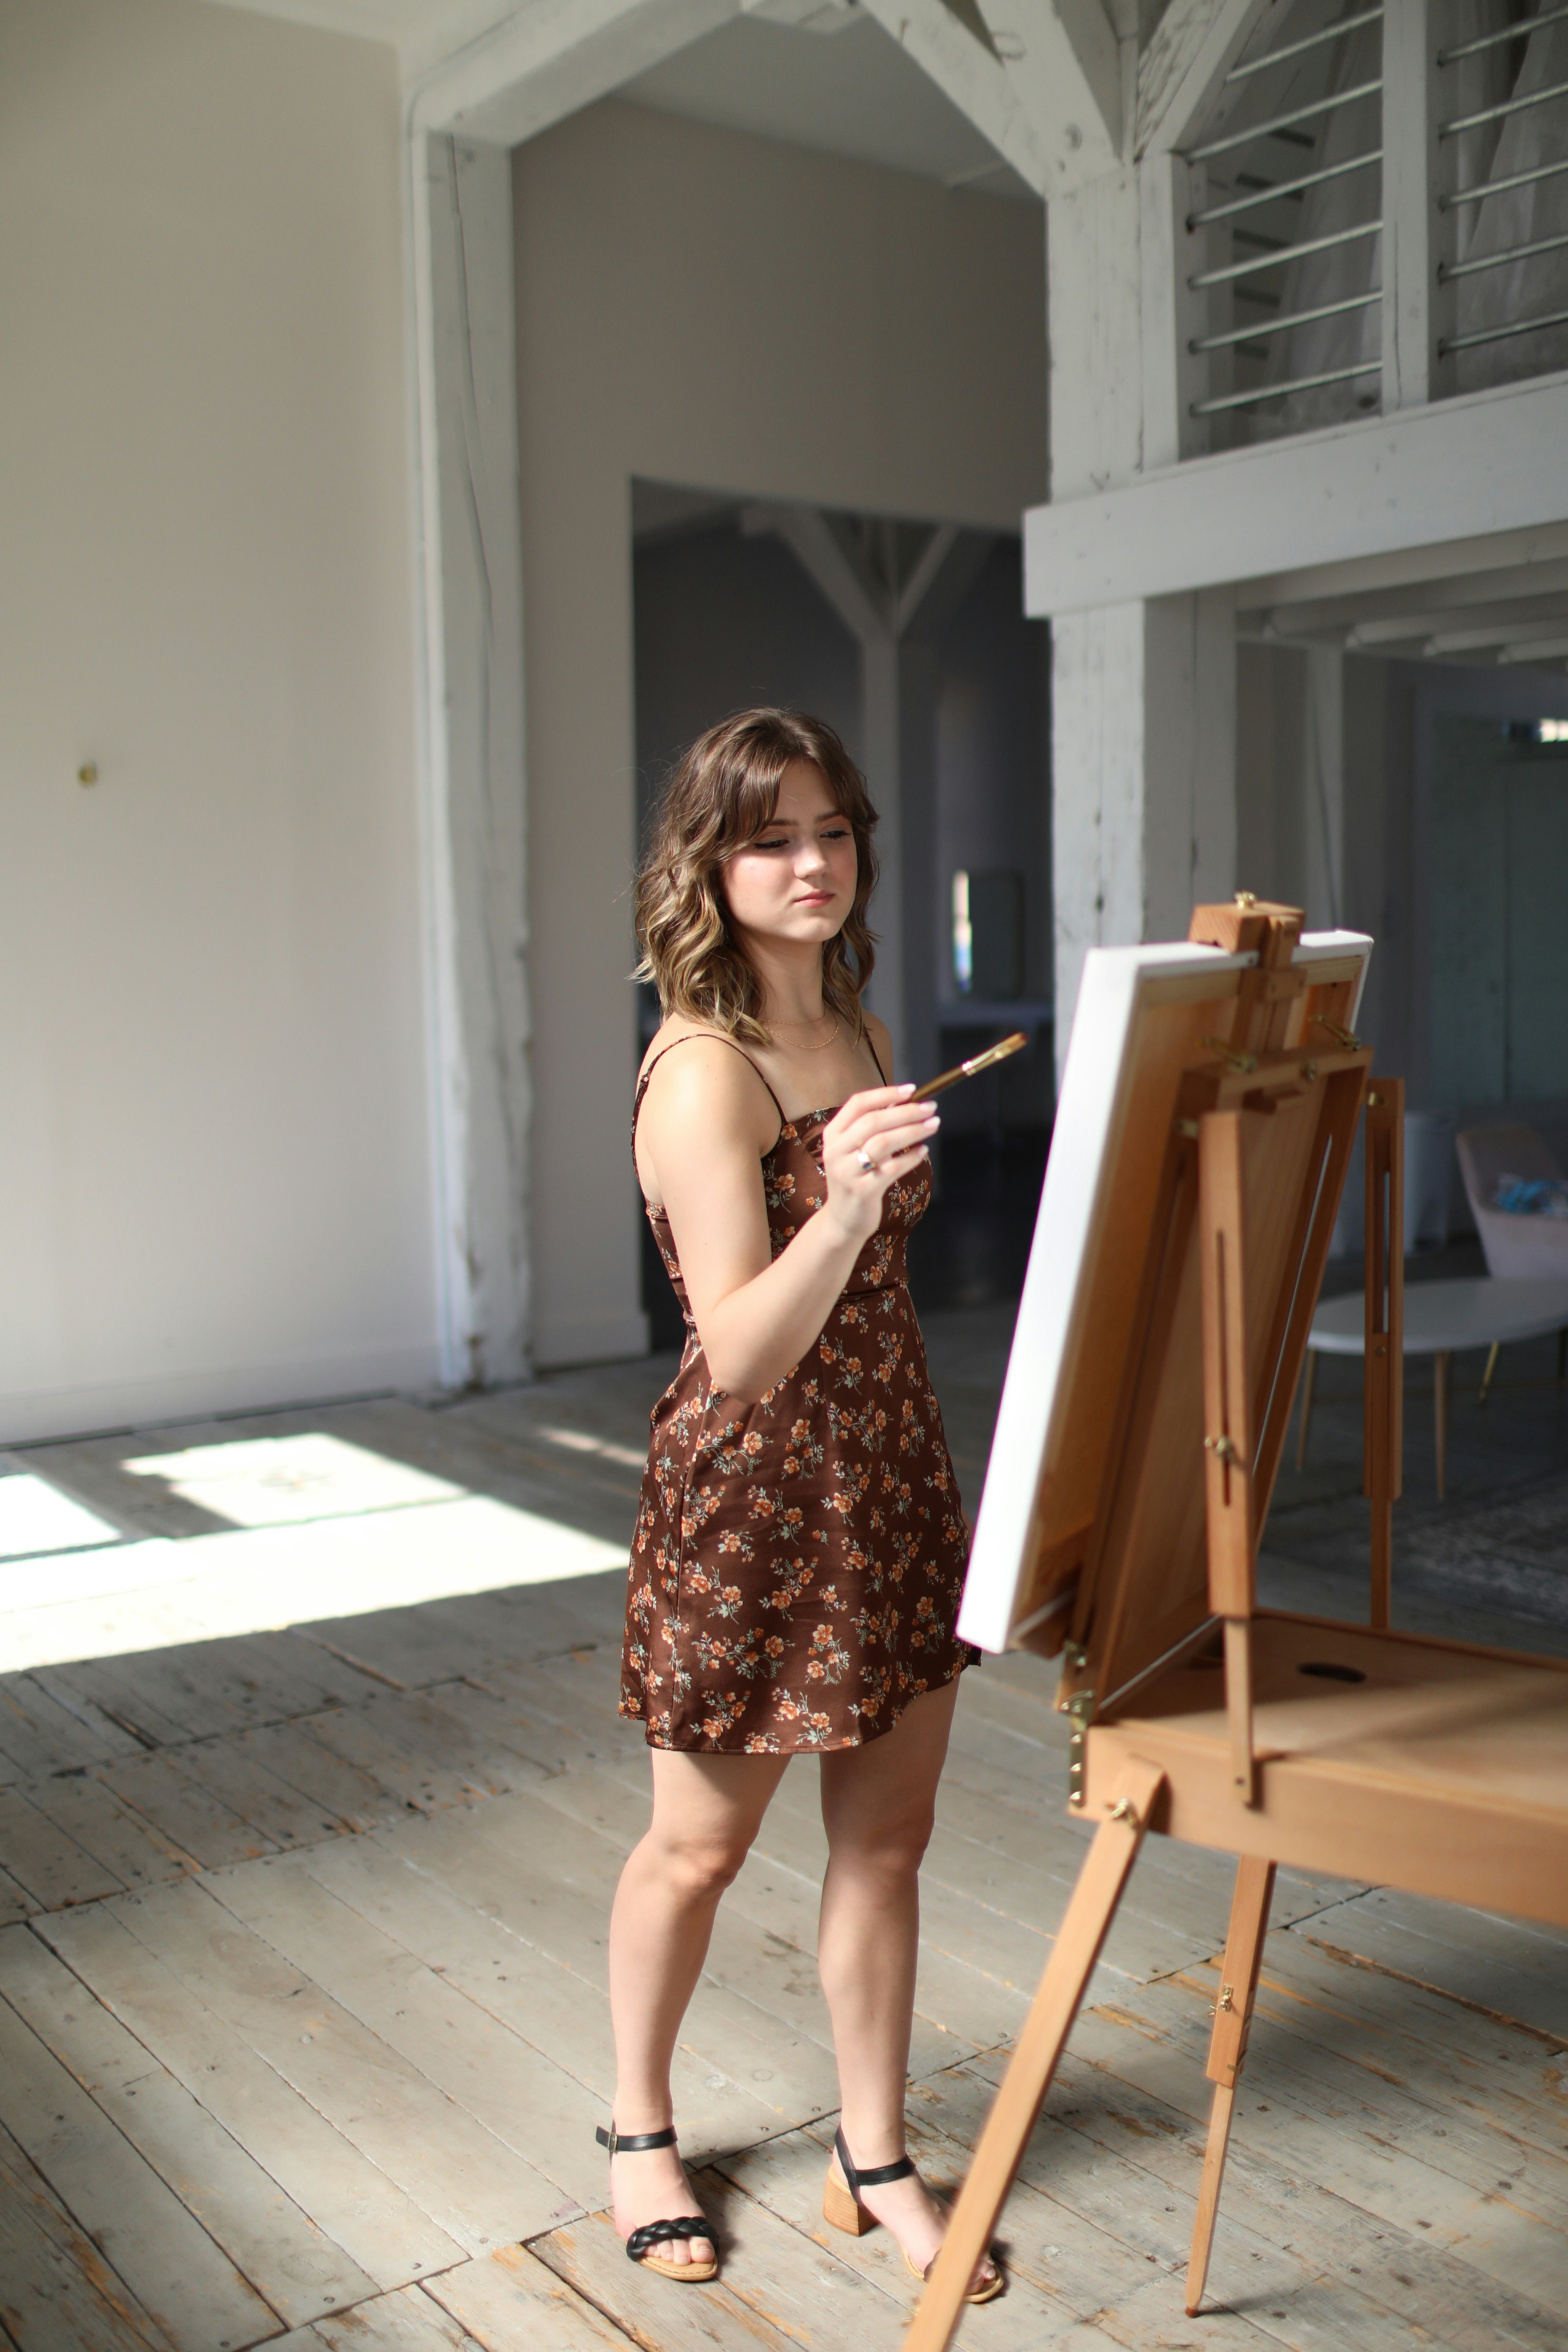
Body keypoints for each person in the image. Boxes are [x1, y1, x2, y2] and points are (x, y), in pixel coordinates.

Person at [600, 707, 1000, 2302]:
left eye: (834, 830)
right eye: (774, 838)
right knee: (695, 1852)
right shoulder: (704, 1071)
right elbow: (747, 1351)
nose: (814, 863)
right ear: (711, 862)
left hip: (887, 1472)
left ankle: (874, 2149)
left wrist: (861, 1188)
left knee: (887, 1845)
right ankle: (639, 2129)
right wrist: (842, 1201)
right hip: (754, 1497)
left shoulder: (861, 1025)